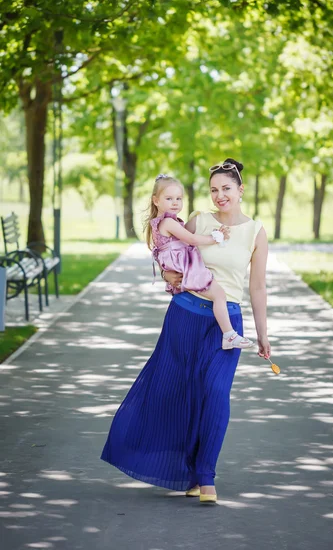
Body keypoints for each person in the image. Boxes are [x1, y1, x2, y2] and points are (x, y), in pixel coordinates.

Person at [101, 158, 271, 503]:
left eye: (226, 189)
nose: (220, 196)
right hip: (184, 316)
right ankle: (184, 470)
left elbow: (257, 288)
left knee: (215, 393)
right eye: (213, 190)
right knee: (176, 392)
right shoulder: (199, 220)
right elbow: (172, 254)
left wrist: (264, 334)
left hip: (227, 324)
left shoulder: (256, 232)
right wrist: (166, 276)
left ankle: (206, 475)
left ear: (240, 190)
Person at [147, 173, 254, 350]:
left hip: (180, 266)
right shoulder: (168, 222)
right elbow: (192, 240)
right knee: (219, 294)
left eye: (179, 198)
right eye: (169, 198)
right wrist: (216, 238)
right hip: (186, 267)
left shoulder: (166, 222)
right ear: (156, 200)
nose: (175, 203)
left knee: (217, 294)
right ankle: (228, 334)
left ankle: (228, 334)